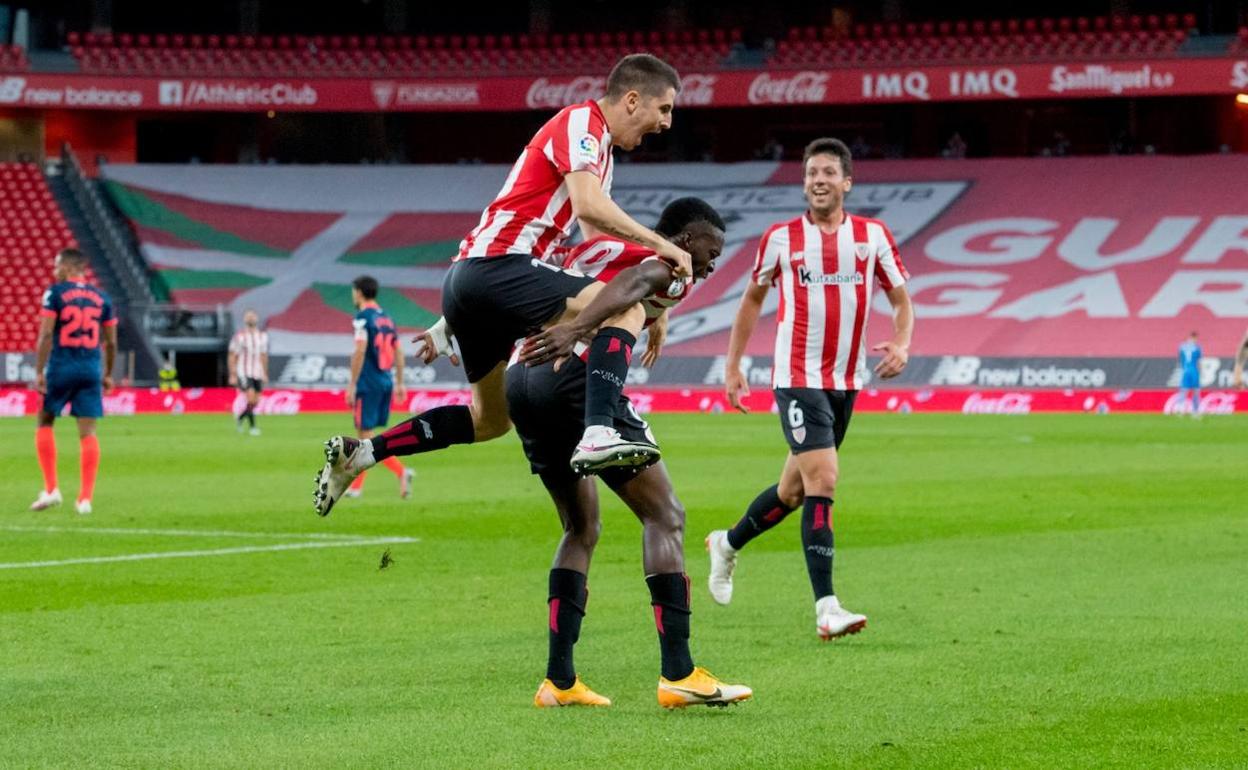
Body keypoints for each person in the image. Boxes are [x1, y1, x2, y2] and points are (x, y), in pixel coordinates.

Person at [314, 53, 693, 516]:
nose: (667, 122)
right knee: (623, 309)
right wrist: (663, 249)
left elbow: (595, 241)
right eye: (664, 108)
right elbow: (589, 208)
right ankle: (598, 431)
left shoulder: (601, 156)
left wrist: (654, 292)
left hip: (473, 281)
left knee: (490, 420)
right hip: (498, 268)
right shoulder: (583, 123)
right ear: (632, 100)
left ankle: (363, 454)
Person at [509, 198, 750, 708]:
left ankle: (559, 681)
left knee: (580, 527)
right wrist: (580, 329)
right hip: (575, 375)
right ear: (685, 241)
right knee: (665, 515)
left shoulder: (595, 248)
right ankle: (679, 673)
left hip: (523, 380)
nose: (710, 266)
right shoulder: (670, 265)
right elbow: (637, 282)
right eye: (710, 253)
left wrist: (654, 318)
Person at [704, 137, 915, 641]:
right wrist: (733, 367)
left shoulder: (872, 236)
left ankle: (727, 544)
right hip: (797, 376)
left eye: (827, 172)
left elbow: (902, 301)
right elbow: (751, 301)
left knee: (793, 492)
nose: (818, 180)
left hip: (846, 379)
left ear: (846, 182)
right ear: (804, 184)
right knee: (825, 478)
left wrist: (903, 343)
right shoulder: (781, 239)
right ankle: (827, 607)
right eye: (811, 174)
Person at [29, 248, 118, 515]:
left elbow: (46, 335)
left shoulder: (55, 294)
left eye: (57, 266)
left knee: (45, 421)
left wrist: (39, 371)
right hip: (91, 368)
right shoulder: (103, 298)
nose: (54, 270)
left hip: (62, 366)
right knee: (88, 432)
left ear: (68, 268)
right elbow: (111, 341)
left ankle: (51, 489)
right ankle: (85, 499)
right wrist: (108, 373)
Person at [341, 276, 414, 501]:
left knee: (365, 439)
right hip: (385, 381)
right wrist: (399, 382)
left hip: (368, 382)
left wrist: (352, 384)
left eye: (353, 291)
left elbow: (360, 350)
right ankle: (360, 485)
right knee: (368, 438)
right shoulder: (387, 319)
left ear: (359, 292)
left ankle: (399, 472)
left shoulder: (363, 318)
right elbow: (399, 352)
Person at [227, 309, 268, 436]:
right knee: (250, 396)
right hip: (244, 372)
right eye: (248, 316)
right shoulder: (239, 337)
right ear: (245, 319)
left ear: (257, 318)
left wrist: (264, 372)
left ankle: (240, 418)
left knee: (255, 401)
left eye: (252, 316)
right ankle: (253, 427)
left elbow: (263, 355)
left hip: (257, 372)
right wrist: (233, 374)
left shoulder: (262, 336)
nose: (251, 318)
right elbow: (232, 355)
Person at [1177, 331, 1202, 417]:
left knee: (1183, 390)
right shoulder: (1197, 347)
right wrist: (1200, 372)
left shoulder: (1182, 346)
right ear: (1194, 337)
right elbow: (1198, 362)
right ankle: (1195, 412)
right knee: (1196, 391)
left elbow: (1180, 359)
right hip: (1194, 371)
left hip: (1185, 370)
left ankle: (1180, 410)